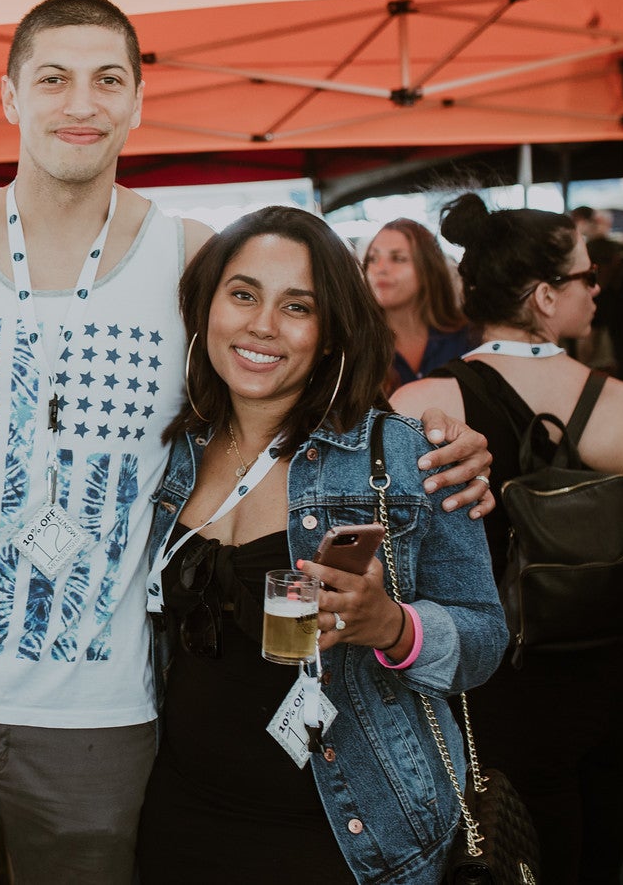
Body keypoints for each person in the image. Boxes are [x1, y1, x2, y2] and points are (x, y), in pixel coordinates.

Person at [0, 0, 495, 885]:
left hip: (100, 718)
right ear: (10, 95)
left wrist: (433, 417)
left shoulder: (192, 258)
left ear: (138, 101)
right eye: (53, 79)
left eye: (108, 80)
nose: (81, 103)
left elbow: (294, 375)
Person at [135, 206, 506, 884]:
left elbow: (484, 640)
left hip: (354, 835)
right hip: (181, 817)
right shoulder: (165, 454)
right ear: (206, 308)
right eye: (242, 294)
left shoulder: (404, 456)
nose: (262, 325)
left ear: (331, 330)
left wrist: (393, 626)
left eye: (296, 306)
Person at [392, 194, 623, 885]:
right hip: (620, 684)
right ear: (545, 296)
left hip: (491, 690)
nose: (597, 289)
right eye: (586, 276)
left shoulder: (423, 404)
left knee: (506, 864)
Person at [363, 218, 473, 391]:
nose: (380, 268)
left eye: (398, 258)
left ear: (428, 269)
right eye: (373, 258)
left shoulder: (467, 337)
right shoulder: (359, 345)